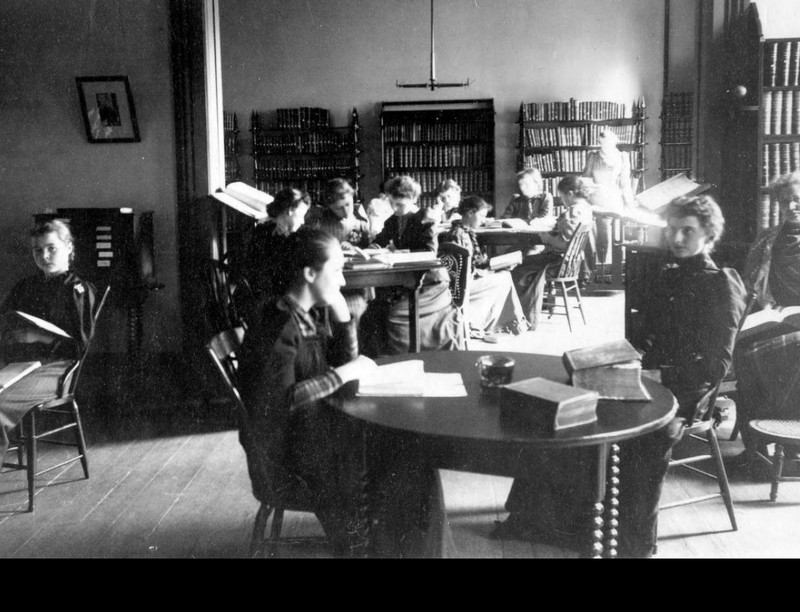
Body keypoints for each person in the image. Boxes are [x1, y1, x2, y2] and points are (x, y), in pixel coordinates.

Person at [496, 195, 747, 558]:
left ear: (709, 235)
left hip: (689, 393)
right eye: (672, 230)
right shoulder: (666, 273)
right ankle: (552, 524)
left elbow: (717, 365)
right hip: (646, 379)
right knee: (567, 407)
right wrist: (612, 359)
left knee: (634, 438)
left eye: (687, 231)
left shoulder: (721, 283)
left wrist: (661, 377)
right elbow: (645, 337)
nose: (676, 239)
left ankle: (631, 545)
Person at [237, 227, 454, 557]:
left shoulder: (299, 315)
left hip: (313, 439)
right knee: (411, 460)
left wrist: (343, 319)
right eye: (336, 270)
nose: (341, 281)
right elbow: (279, 403)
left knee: (415, 456)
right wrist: (343, 373)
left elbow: (341, 369)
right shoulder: (279, 326)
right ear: (310, 273)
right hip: (291, 461)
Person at [0, 220, 97, 464]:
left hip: (55, 369)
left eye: (51, 248)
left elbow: (80, 347)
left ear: (68, 247)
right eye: (37, 250)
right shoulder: (25, 286)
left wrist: (39, 336)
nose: (44, 256)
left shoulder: (78, 290)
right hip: (17, 365)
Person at [359, 175, 464, 356]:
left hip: (429, 282)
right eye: (392, 203)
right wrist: (371, 248)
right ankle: (378, 357)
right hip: (406, 278)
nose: (394, 208)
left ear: (414, 199)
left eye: (399, 205)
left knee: (391, 313)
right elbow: (379, 241)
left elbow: (429, 252)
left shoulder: (424, 218)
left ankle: (401, 357)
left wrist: (398, 254)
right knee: (371, 308)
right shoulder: (393, 221)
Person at [735, 171, 800, 458]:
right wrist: (766, 308)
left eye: (798, 200)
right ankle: (756, 448)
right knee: (743, 350)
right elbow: (749, 287)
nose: (792, 207)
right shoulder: (767, 240)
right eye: (786, 202)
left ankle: (790, 443)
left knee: (790, 356)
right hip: (774, 316)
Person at [439, 195, 529, 338]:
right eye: (481, 216)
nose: (483, 220)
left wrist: (496, 266)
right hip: (462, 285)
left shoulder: (465, 232)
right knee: (504, 279)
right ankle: (512, 322)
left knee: (504, 276)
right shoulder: (459, 235)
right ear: (470, 213)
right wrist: (488, 271)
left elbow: (474, 262)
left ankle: (511, 322)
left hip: (467, 280)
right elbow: (463, 270)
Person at [510, 176, 593, 328]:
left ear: (570, 194)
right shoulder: (585, 209)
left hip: (558, 262)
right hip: (569, 263)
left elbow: (564, 245)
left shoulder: (573, 212)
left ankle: (524, 317)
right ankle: (526, 311)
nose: (562, 201)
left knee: (518, 267)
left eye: (562, 197)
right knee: (523, 262)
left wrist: (547, 238)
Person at [231, 187, 310, 319]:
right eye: (302, 215)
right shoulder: (289, 239)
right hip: (267, 306)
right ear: (290, 210)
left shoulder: (260, 230)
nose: (303, 221)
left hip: (254, 300)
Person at [309, 178, 373, 329]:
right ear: (329, 206)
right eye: (339, 208)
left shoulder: (361, 222)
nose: (346, 211)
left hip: (358, 282)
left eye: (348, 204)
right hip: (328, 283)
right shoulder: (320, 223)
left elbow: (370, 248)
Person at [582, 129, 635, 267]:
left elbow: (625, 184)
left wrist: (630, 204)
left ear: (615, 141)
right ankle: (597, 270)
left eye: (608, 143)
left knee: (613, 238)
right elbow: (585, 180)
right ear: (599, 142)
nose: (604, 147)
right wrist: (594, 186)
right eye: (602, 143)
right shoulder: (593, 157)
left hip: (613, 202)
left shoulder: (622, 157)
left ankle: (611, 270)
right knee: (597, 237)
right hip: (595, 202)